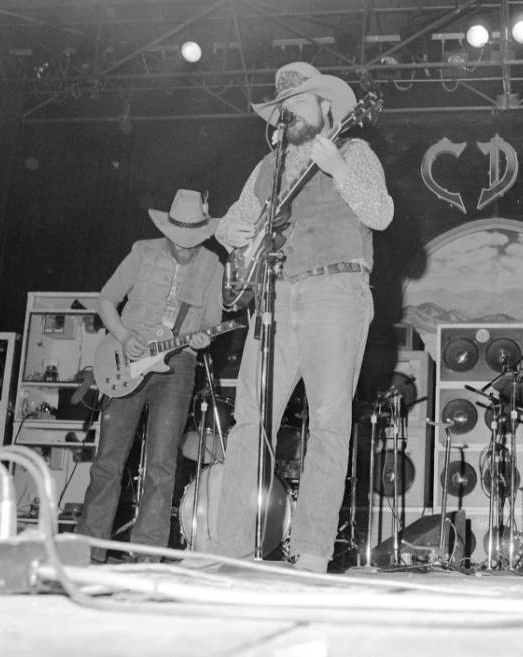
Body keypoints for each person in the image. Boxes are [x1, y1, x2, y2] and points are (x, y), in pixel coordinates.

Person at [212, 62, 393, 573]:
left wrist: (337, 167)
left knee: (329, 422)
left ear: (326, 106)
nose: (288, 112)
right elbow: (231, 223)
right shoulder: (266, 167)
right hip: (274, 295)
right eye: (282, 107)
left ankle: (311, 552)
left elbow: (380, 214)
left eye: (299, 102)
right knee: (250, 420)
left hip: (335, 290)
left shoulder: (354, 151)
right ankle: (229, 549)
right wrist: (235, 237)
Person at [76, 189, 223, 563]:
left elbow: (211, 322)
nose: (185, 249)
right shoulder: (142, 252)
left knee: (162, 464)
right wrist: (125, 337)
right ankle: (88, 550)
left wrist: (204, 338)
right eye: (178, 240)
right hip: (126, 359)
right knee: (109, 460)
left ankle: (148, 556)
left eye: (192, 241)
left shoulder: (212, 266)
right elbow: (105, 300)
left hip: (178, 366)